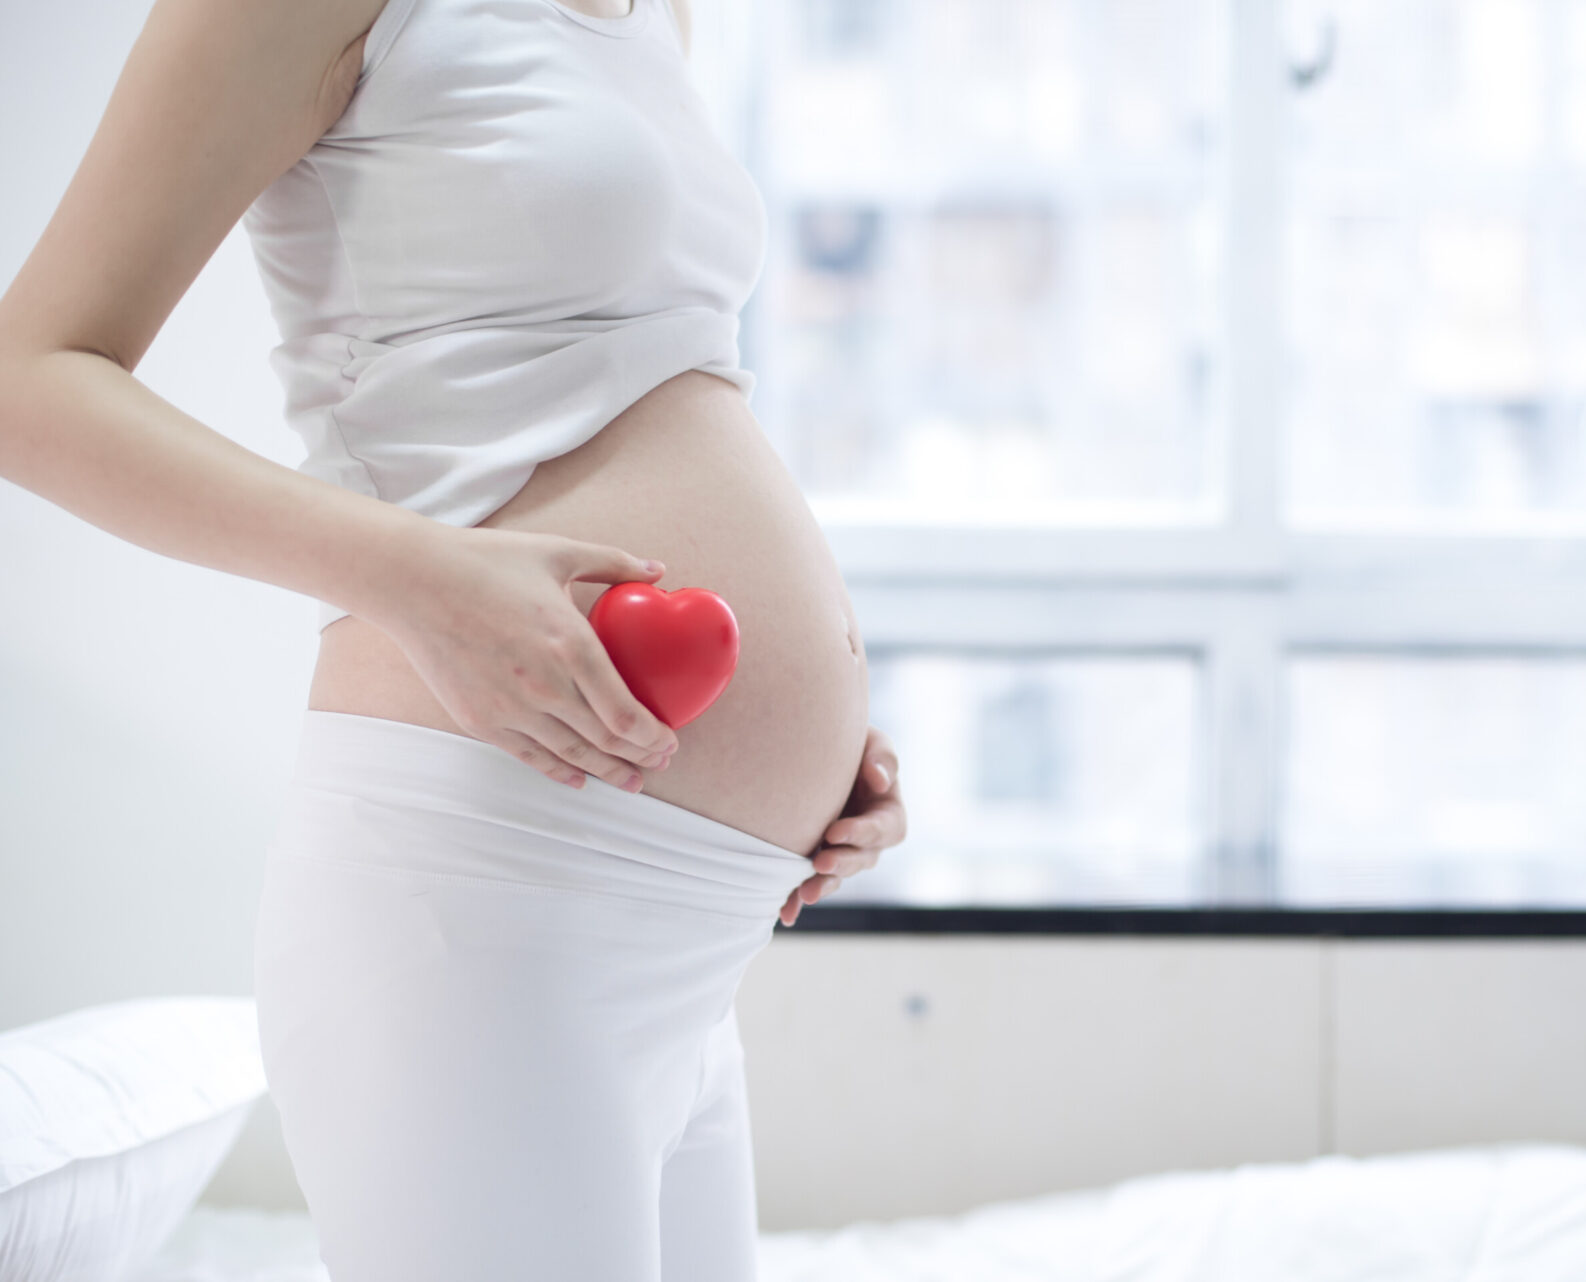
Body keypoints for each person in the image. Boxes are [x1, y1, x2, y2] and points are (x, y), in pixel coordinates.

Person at [0, 0, 907, 1277]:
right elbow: (28, 381)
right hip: (486, 888)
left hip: (686, 941)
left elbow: (636, 380)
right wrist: (421, 577)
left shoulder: (655, 14)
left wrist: (815, 732)